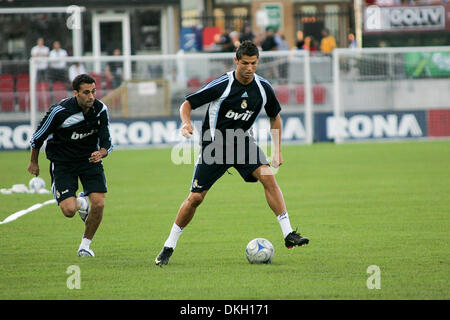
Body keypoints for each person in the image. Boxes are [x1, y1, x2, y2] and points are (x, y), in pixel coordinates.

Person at [155, 41, 309, 266]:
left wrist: (277, 150)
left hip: (242, 142)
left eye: (254, 63)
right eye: (245, 63)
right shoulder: (223, 85)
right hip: (214, 146)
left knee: (268, 175)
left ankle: (288, 234)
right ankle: (169, 246)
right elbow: (187, 104)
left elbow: (274, 116)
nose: (249, 68)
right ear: (236, 61)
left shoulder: (263, 88)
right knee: (195, 198)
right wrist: (186, 123)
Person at [27, 74, 113, 257]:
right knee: (69, 210)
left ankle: (85, 246)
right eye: (86, 92)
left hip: (90, 161)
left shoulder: (100, 109)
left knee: (99, 204)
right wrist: (33, 162)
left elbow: (107, 141)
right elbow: (37, 138)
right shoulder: (60, 112)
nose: (91, 96)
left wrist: (102, 152)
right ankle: (81, 202)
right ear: (76, 93)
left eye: (94, 91)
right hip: (63, 163)